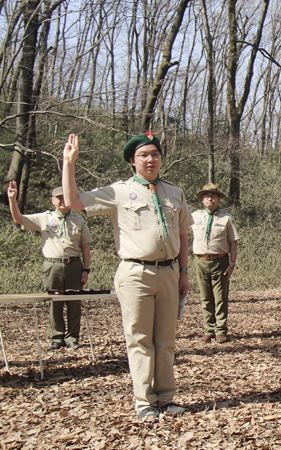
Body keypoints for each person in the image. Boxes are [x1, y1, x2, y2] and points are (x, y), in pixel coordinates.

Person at [62, 132, 194, 420]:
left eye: (155, 154)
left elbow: (182, 233)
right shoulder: (119, 191)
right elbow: (72, 200)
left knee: (166, 340)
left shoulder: (175, 192)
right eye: (144, 155)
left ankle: (167, 398)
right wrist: (69, 163)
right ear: (132, 161)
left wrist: (184, 273)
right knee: (139, 339)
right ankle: (144, 402)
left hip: (170, 272)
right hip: (136, 273)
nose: (151, 159)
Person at [7, 183, 91, 350]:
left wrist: (86, 270)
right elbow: (19, 219)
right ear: (52, 201)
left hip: (74, 265)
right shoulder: (44, 218)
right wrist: (12, 200)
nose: (62, 201)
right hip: (52, 266)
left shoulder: (78, 221)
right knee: (54, 303)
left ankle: (73, 338)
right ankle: (57, 337)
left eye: (64, 198)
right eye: (58, 198)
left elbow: (86, 247)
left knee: (74, 303)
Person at [190, 183, 239, 344]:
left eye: (213, 195)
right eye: (206, 196)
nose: (209, 198)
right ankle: (208, 330)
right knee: (205, 297)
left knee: (220, 297)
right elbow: (181, 234)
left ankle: (220, 330)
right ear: (202, 200)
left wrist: (232, 263)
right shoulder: (194, 217)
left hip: (220, 261)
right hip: (201, 261)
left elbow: (233, 242)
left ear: (219, 198)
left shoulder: (226, 218)